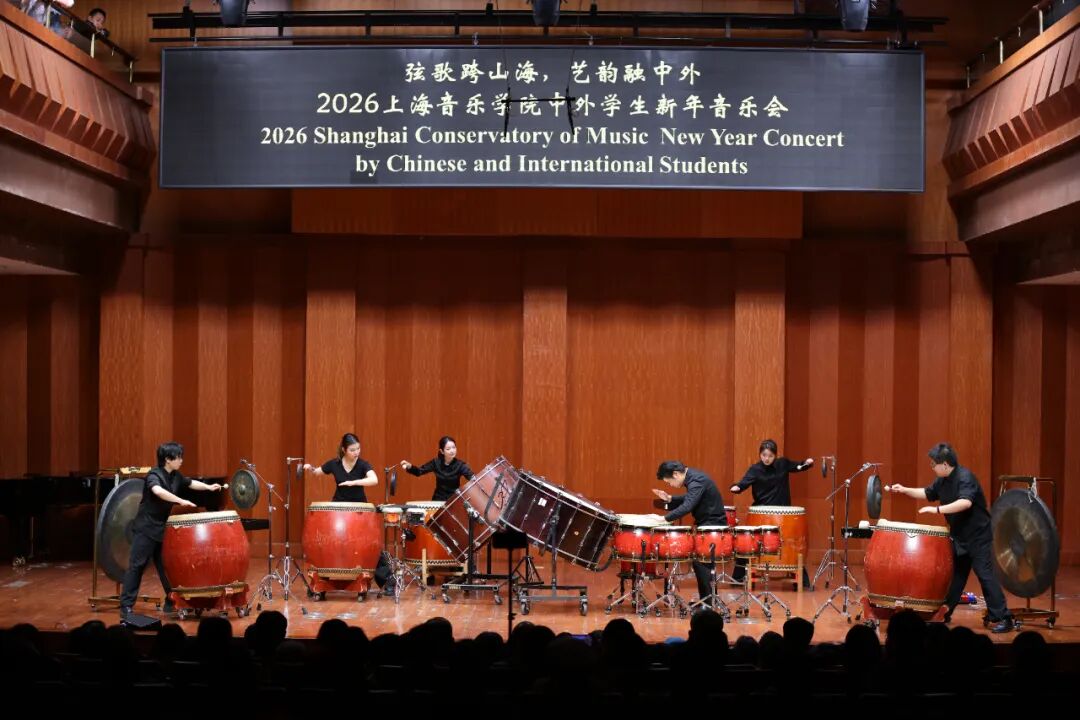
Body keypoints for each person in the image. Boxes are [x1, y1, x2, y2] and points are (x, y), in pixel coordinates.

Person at [885, 442, 1014, 633]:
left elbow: (965, 502)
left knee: (985, 575)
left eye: (933, 464)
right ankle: (944, 613)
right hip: (960, 536)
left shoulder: (965, 477)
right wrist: (904, 489)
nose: (932, 467)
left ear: (945, 464)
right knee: (955, 577)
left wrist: (937, 510)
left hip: (978, 536)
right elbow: (927, 493)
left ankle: (1004, 617)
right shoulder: (943, 480)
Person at [119, 441, 224, 620]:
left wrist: (208, 487)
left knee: (167, 567)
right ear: (168, 459)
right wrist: (180, 501)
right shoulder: (154, 475)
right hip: (145, 528)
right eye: (178, 457)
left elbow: (190, 483)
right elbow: (158, 491)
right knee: (137, 566)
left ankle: (171, 601)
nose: (181, 460)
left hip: (161, 529)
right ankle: (126, 607)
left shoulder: (175, 475)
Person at [730, 439, 814, 585]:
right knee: (749, 543)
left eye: (770, 456)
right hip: (761, 514)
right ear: (760, 455)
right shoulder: (755, 469)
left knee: (790, 544)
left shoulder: (782, 464)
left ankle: (802, 580)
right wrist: (737, 487)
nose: (767, 459)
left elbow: (798, 466)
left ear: (775, 455)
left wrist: (806, 463)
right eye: (764, 455)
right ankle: (737, 577)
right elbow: (743, 483)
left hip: (783, 515)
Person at [651, 461, 727, 603]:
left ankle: (708, 603)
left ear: (676, 474)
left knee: (701, 562)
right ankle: (708, 601)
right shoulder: (694, 478)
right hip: (708, 524)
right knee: (701, 562)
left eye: (669, 482)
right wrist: (670, 498)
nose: (670, 485)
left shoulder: (696, 480)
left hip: (712, 525)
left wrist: (664, 519)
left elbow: (688, 505)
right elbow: (691, 496)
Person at [302, 432, 377, 502]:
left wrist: (353, 482)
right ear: (344, 450)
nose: (356, 452)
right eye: (352, 450)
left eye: (358, 448)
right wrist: (310, 468)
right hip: (339, 504)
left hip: (359, 505)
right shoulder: (334, 463)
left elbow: (374, 480)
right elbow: (316, 472)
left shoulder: (363, 464)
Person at [399, 435, 474, 501]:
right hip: (438, 499)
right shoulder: (436, 463)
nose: (452, 451)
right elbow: (419, 471)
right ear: (442, 451)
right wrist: (410, 466)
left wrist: (473, 478)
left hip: (453, 500)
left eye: (454, 447)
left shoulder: (460, 465)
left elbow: (472, 477)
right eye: (448, 449)